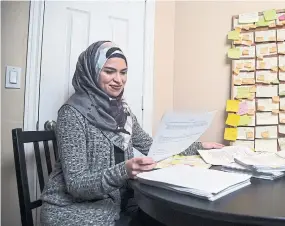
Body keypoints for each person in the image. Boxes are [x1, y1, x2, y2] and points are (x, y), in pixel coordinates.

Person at [39, 41, 224, 226]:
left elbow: (152, 146)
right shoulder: (71, 114)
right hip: (72, 211)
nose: (118, 80)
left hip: (117, 203)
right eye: (109, 71)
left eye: (123, 72)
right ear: (90, 72)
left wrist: (200, 147)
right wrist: (124, 170)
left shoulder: (123, 112)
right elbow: (76, 185)